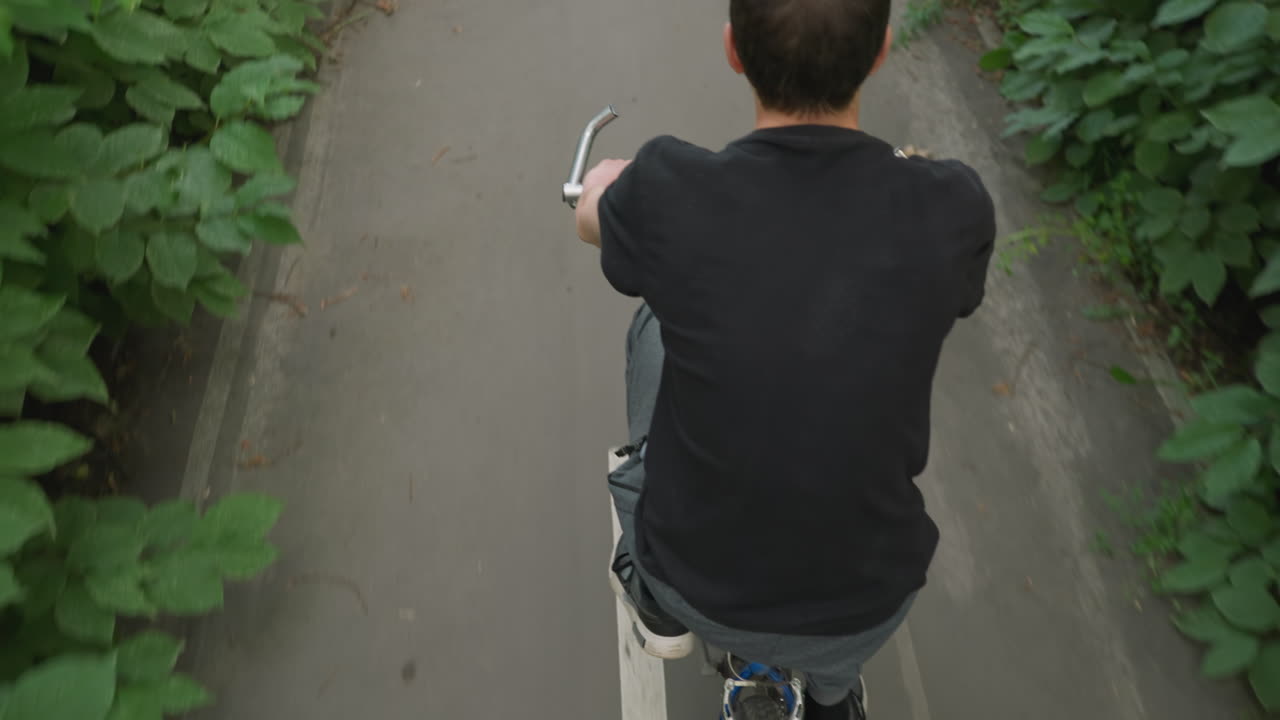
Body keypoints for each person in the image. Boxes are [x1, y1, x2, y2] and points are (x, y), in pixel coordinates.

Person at [575, 1, 996, 718]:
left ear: (733, 51)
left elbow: (593, 221)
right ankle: (834, 694)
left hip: (694, 581)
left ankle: (656, 601)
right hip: (866, 600)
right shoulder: (951, 209)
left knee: (654, 324)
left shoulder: (667, 191)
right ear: (881, 51)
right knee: (839, 657)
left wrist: (602, 187)